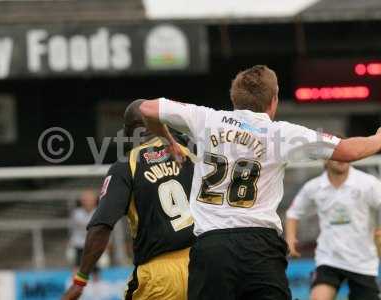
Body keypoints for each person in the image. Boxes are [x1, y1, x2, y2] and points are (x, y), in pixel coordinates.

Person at [139, 65, 381, 300]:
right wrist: (378, 137)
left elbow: (148, 108)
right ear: (273, 99)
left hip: (212, 247)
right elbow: (349, 151)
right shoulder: (282, 134)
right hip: (260, 248)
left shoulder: (206, 119)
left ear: (234, 98)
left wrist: (167, 139)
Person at [62, 100, 196, 300]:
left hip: (160, 276)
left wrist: (80, 279)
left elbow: (100, 226)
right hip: (202, 264)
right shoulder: (186, 148)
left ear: (128, 132)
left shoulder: (125, 167)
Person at [285, 159, 381, 300]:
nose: (342, 159)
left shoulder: (368, 183)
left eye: (346, 154)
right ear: (325, 158)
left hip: (363, 262)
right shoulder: (314, 186)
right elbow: (293, 213)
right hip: (328, 259)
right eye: (337, 155)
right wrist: (290, 238)